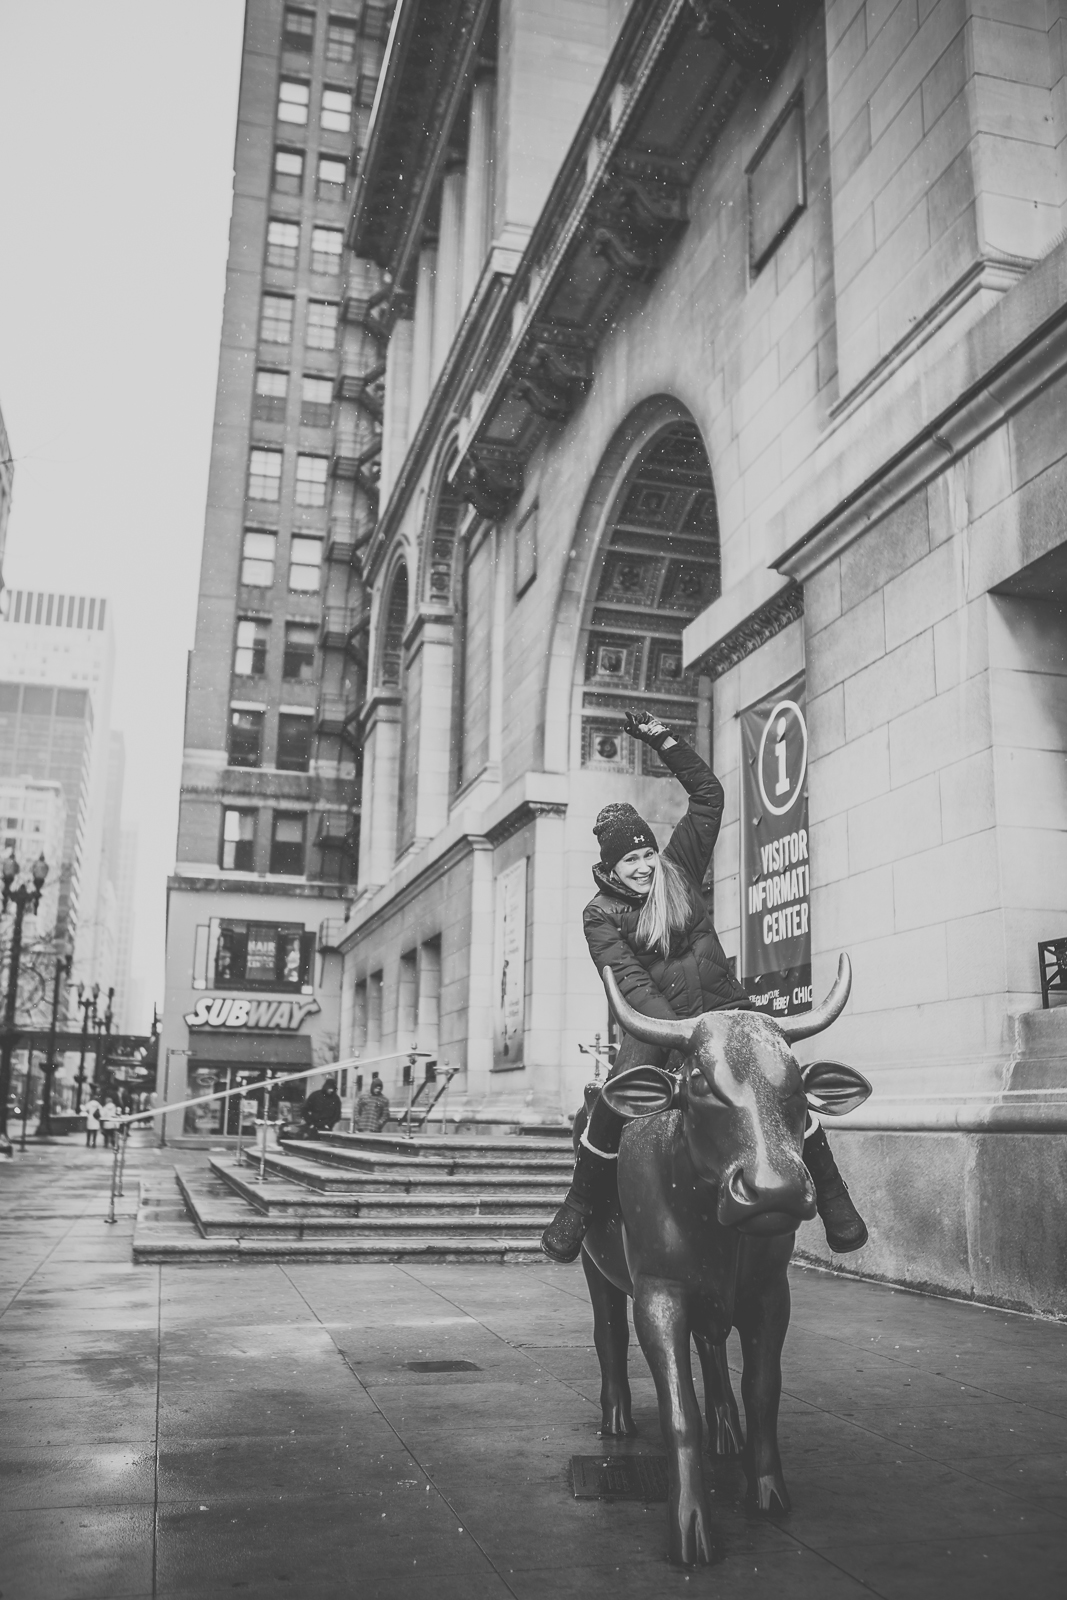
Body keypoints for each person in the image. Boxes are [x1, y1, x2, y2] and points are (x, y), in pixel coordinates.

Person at [541, 711, 868, 1264]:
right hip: (660, 1029)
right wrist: (685, 1038)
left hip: (729, 1011)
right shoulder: (599, 915)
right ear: (612, 869)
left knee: (782, 1081)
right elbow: (631, 982)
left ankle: (834, 1198)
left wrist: (663, 739)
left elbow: (708, 796)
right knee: (616, 1098)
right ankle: (578, 1205)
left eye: (646, 854)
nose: (643, 867)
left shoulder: (679, 869)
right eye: (630, 860)